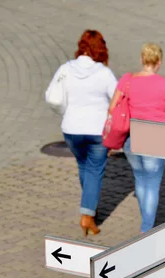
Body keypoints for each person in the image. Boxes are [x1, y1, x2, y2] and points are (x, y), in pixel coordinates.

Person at [108, 43, 165, 233]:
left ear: (142, 59)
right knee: (153, 184)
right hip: (155, 137)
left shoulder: (127, 81)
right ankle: (146, 229)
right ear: (159, 62)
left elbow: (112, 107)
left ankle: (146, 221)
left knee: (140, 179)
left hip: (131, 136)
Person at [46, 29, 117, 236]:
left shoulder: (65, 69)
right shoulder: (104, 73)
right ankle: (87, 215)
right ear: (101, 49)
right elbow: (116, 99)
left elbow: (53, 95)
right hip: (97, 131)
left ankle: (90, 211)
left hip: (71, 130)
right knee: (95, 171)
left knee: (84, 167)